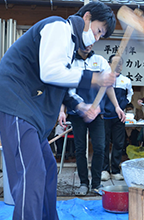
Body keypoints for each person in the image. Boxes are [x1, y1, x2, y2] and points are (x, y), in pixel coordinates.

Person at [0, 2, 116, 219]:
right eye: (99, 31)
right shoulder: (58, 27)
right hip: (16, 105)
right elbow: (50, 72)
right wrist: (94, 78)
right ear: (87, 17)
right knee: (32, 173)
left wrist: (79, 106)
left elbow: (60, 85)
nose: (97, 39)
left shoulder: (70, 48)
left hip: (32, 114)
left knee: (48, 168)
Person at [59, 46, 125, 196]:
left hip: (96, 114)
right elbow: (64, 89)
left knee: (100, 148)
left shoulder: (100, 61)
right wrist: (61, 111)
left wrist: (116, 107)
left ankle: (96, 184)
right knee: (80, 149)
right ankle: (83, 183)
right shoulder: (70, 62)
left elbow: (108, 86)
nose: (89, 45)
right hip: (77, 113)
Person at [101, 54, 133, 181]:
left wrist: (123, 105)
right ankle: (104, 170)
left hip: (119, 117)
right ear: (109, 64)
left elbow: (129, 95)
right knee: (103, 143)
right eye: (115, 63)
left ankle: (115, 170)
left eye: (120, 63)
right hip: (104, 116)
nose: (118, 65)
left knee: (118, 143)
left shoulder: (126, 81)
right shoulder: (103, 79)